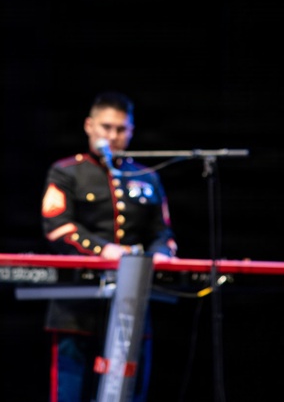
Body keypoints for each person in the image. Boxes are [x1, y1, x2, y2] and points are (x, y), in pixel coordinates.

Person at [41, 91, 177, 402]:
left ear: (131, 130)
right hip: (76, 306)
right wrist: (104, 250)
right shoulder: (67, 172)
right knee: (71, 392)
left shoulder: (147, 177)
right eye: (106, 127)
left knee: (131, 392)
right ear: (89, 126)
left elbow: (162, 232)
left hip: (132, 301)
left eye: (121, 129)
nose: (113, 136)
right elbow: (58, 227)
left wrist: (159, 254)